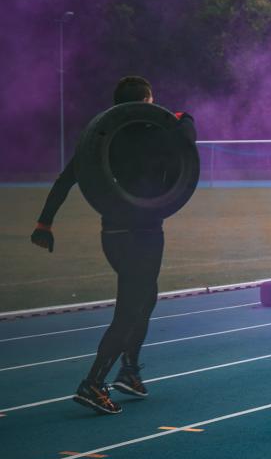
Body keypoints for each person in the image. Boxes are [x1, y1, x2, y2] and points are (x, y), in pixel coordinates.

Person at [30, 76, 196, 415]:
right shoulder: (158, 133)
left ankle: (130, 371)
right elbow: (186, 137)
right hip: (145, 234)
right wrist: (179, 117)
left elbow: (66, 179)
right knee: (131, 309)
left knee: (144, 299)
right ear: (147, 103)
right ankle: (93, 382)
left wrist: (44, 223)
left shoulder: (103, 141)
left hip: (114, 235)